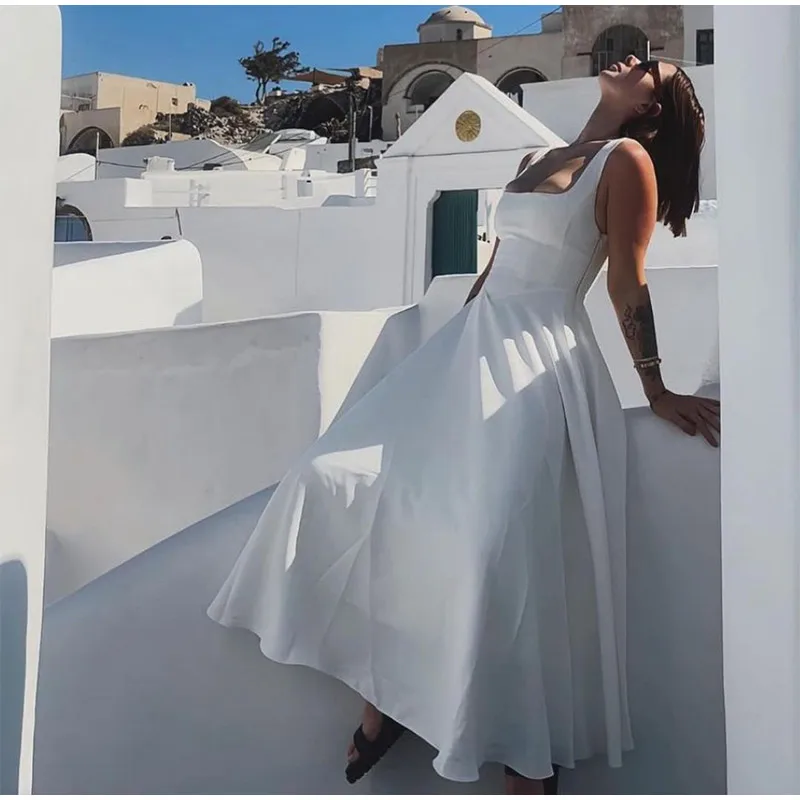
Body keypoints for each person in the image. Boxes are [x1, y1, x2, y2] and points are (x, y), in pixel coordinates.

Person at [208, 55, 719, 794]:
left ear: (650, 108)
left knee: (495, 547)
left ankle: (525, 756)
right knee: (332, 479)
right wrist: (446, 346)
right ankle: (387, 695)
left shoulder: (626, 160)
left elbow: (625, 280)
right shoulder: (536, 157)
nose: (631, 58)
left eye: (649, 69)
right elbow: (492, 271)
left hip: (539, 362)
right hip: (470, 350)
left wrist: (656, 387)